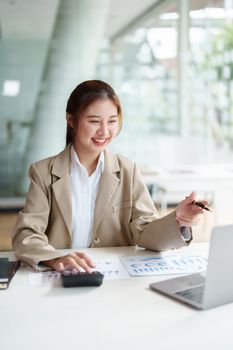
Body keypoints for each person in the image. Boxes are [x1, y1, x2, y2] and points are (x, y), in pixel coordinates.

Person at [12, 80, 208, 272]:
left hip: (114, 278)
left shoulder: (128, 170)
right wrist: (54, 258)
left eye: (112, 121)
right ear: (71, 120)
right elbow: (27, 234)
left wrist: (178, 220)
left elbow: (145, 231)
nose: (104, 131)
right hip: (62, 276)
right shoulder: (43, 172)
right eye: (94, 121)